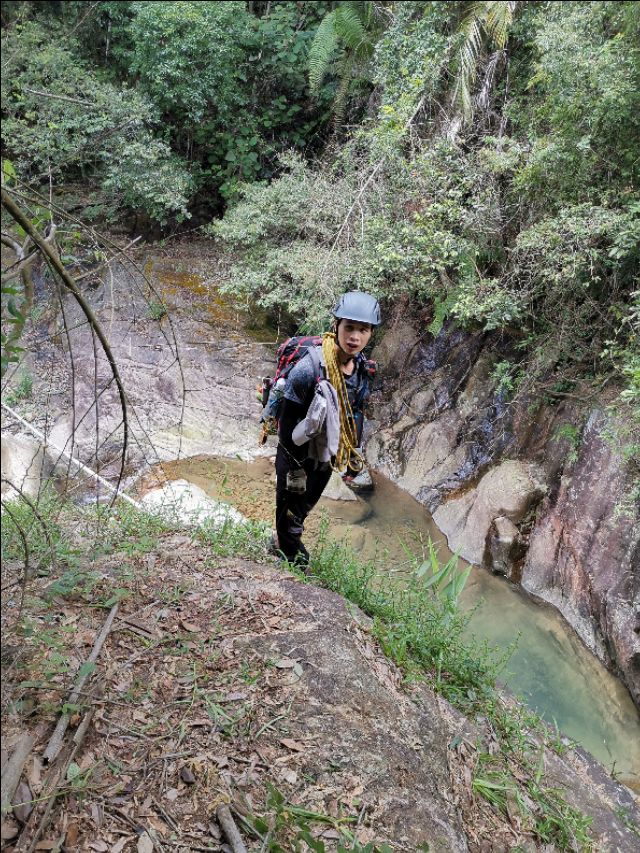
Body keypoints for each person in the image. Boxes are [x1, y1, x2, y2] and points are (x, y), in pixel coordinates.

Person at [274, 291, 381, 565]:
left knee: (305, 505)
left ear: (371, 334)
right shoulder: (309, 369)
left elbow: (354, 411)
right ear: (336, 326)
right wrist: (296, 466)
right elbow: (287, 427)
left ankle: (287, 541)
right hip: (296, 453)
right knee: (290, 505)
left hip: (325, 454)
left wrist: (351, 454)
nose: (355, 337)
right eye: (349, 327)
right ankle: (291, 555)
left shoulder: (361, 369)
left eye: (363, 330)